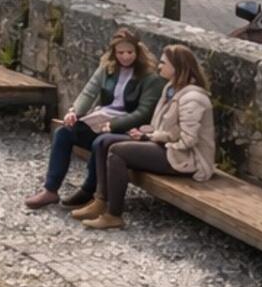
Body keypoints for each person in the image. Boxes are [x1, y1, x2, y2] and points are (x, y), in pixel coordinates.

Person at [25, 29, 164, 211]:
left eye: (130, 52)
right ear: (114, 53)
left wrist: (114, 125)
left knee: (101, 142)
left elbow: (143, 113)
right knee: (64, 133)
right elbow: (89, 92)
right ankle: (50, 189)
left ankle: (89, 190)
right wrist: (74, 111)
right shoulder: (107, 69)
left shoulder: (149, 77)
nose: (125, 57)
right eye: (120, 53)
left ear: (138, 52)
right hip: (101, 118)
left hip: (127, 127)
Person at [79, 44, 215, 231]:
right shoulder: (171, 88)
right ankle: (100, 201)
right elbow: (163, 126)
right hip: (167, 147)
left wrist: (152, 137)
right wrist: (145, 133)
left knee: (117, 152)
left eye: (163, 63)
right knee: (104, 141)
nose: (159, 67)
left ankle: (113, 215)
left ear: (177, 67)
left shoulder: (193, 98)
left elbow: (188, 140)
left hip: (185, 158)